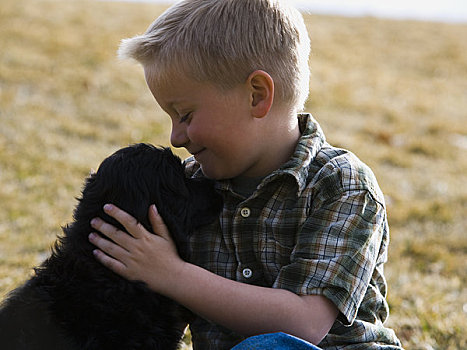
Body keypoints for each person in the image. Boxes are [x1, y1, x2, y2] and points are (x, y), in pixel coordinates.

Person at [88, 0, 403, 348]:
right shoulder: (193, 187)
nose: (175, 138)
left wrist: (172, 275)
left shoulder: (341, 185)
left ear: (256, 96)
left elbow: (305, 323)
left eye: (185, 115)